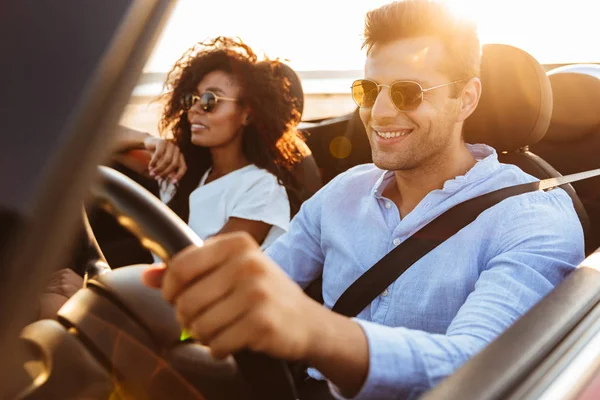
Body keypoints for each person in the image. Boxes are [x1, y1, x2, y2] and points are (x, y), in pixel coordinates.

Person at [143, 1, 584, 399]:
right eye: (369, 91)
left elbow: (472, 371)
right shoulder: (342, 193)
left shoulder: (532, 217)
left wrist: (312, 329)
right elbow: (271, 276)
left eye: (409, 92)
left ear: (465, 98)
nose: (382, 112)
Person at [113, 36, 310, 248]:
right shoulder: (184, 169)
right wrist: (148, 140)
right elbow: (100, 143)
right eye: (191, 99)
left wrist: (103, 280)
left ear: (247, 115)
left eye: (210, 100)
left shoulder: (261, 188)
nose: (195, 109)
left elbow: (201, 270)